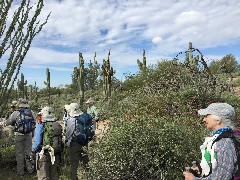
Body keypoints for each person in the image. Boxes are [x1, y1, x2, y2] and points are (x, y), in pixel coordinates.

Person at [183, 103, 238, 180]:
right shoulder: (220, 138)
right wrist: (203, 169)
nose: (204, 119)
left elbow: (222, 177)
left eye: (207, 116)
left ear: (218, 120)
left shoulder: (224, 142)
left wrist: (193, 179)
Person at [7, 98, 36, 176]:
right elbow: (34, 122)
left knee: (19, 153)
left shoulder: (16, 113)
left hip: (19, 135)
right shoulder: (31, 112)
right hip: (29, 135)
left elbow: (8, 122)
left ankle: (21, 172)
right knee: (28, 152)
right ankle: (30, 169)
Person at [32, 106, 62, 180]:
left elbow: (37, 142)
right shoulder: (57, 125)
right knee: (54, 176)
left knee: (43, 177)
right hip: (55, 154)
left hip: (43, 154)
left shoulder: (41, 125)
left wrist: (33, 150)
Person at [65, 103, 89, 180]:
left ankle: (74, 178)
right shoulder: (85, 117)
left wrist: (66, 140)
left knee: (74, 164)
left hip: (75, 143)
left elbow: (69, 133)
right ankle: (89, 176)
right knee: (85, 160)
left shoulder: (71, 119)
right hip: (84, 141)